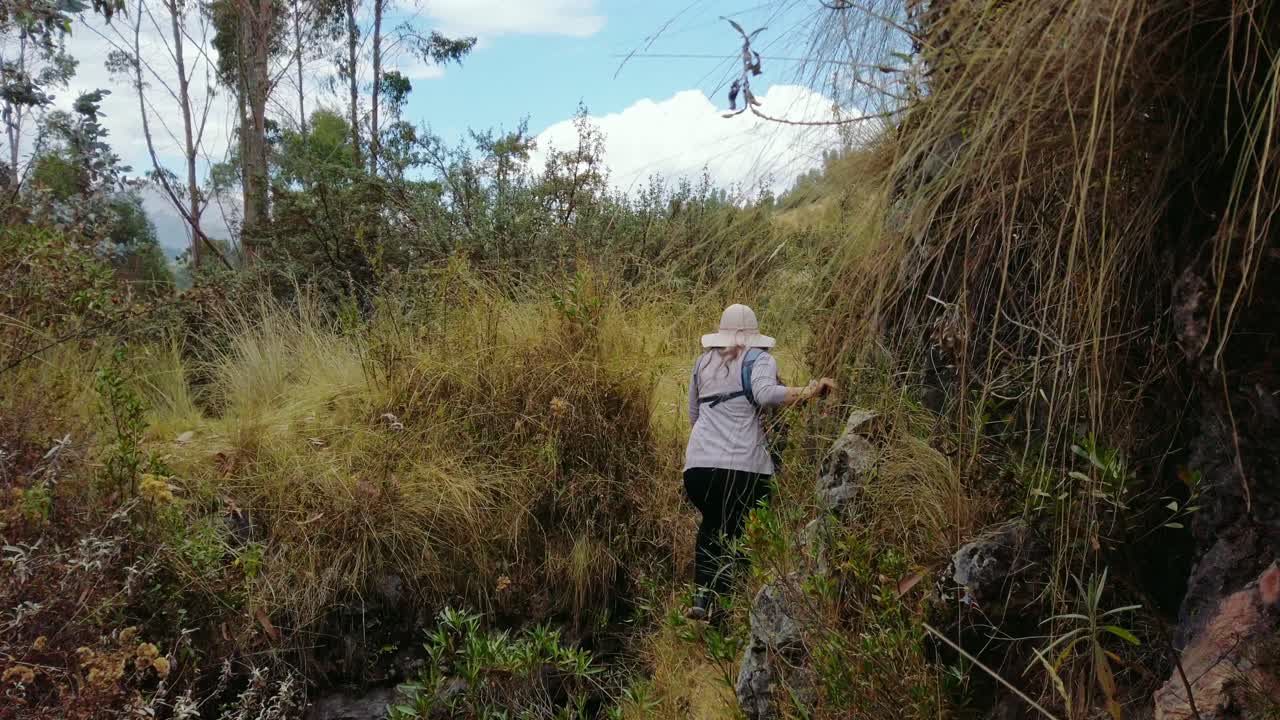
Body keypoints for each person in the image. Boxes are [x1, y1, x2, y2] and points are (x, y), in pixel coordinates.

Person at [683, 303, 836, 620]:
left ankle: (702, 597)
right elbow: (766, 394)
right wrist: (808, 391)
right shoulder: (759, 360)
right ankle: (728, 611)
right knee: (739, 532)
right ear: (754, 336)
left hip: (698, 468)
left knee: (713, 523)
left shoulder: (701, 364)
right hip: (744, 469)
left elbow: (694, 416)